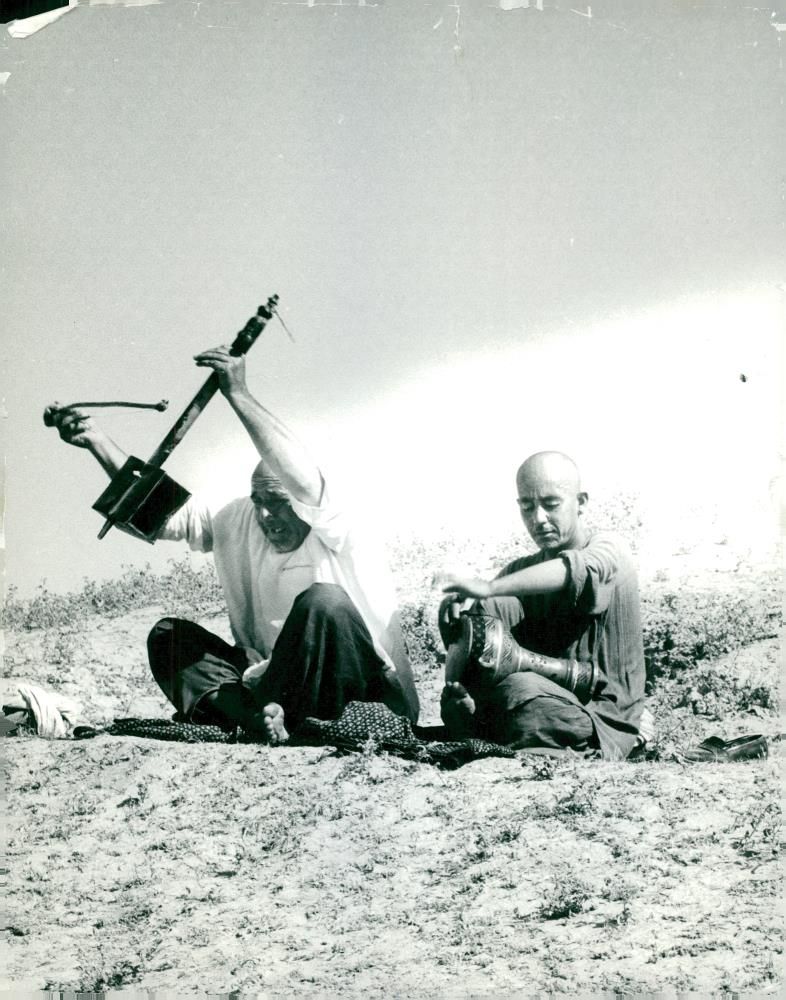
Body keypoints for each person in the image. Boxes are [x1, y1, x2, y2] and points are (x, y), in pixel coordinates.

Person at [46, 343, 419, 743]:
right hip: (274, 689)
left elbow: (303, 478)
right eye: (259, 502)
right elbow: (156, 513)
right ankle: (255, 718)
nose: (265, 516)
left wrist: (237, 394)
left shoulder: (337, 518)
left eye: (278, 503)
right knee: (170, 637)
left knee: (324, 602)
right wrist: (96, 441)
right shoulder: (239, 517)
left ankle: (272, 715)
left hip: (359, 690)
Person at [437, 451, 645, 760]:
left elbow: (578, 568)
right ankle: (480, 718)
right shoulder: (521, 570)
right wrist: (460, 620)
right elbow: (481, 637)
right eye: (527, 506)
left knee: (523, 694)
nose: (538, 519)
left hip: (599, 714)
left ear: (581, 502)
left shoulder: (610, 550)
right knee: (487, 612)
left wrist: (490, 586)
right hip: (537, 692)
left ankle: (489, 724)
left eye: (551, 505)